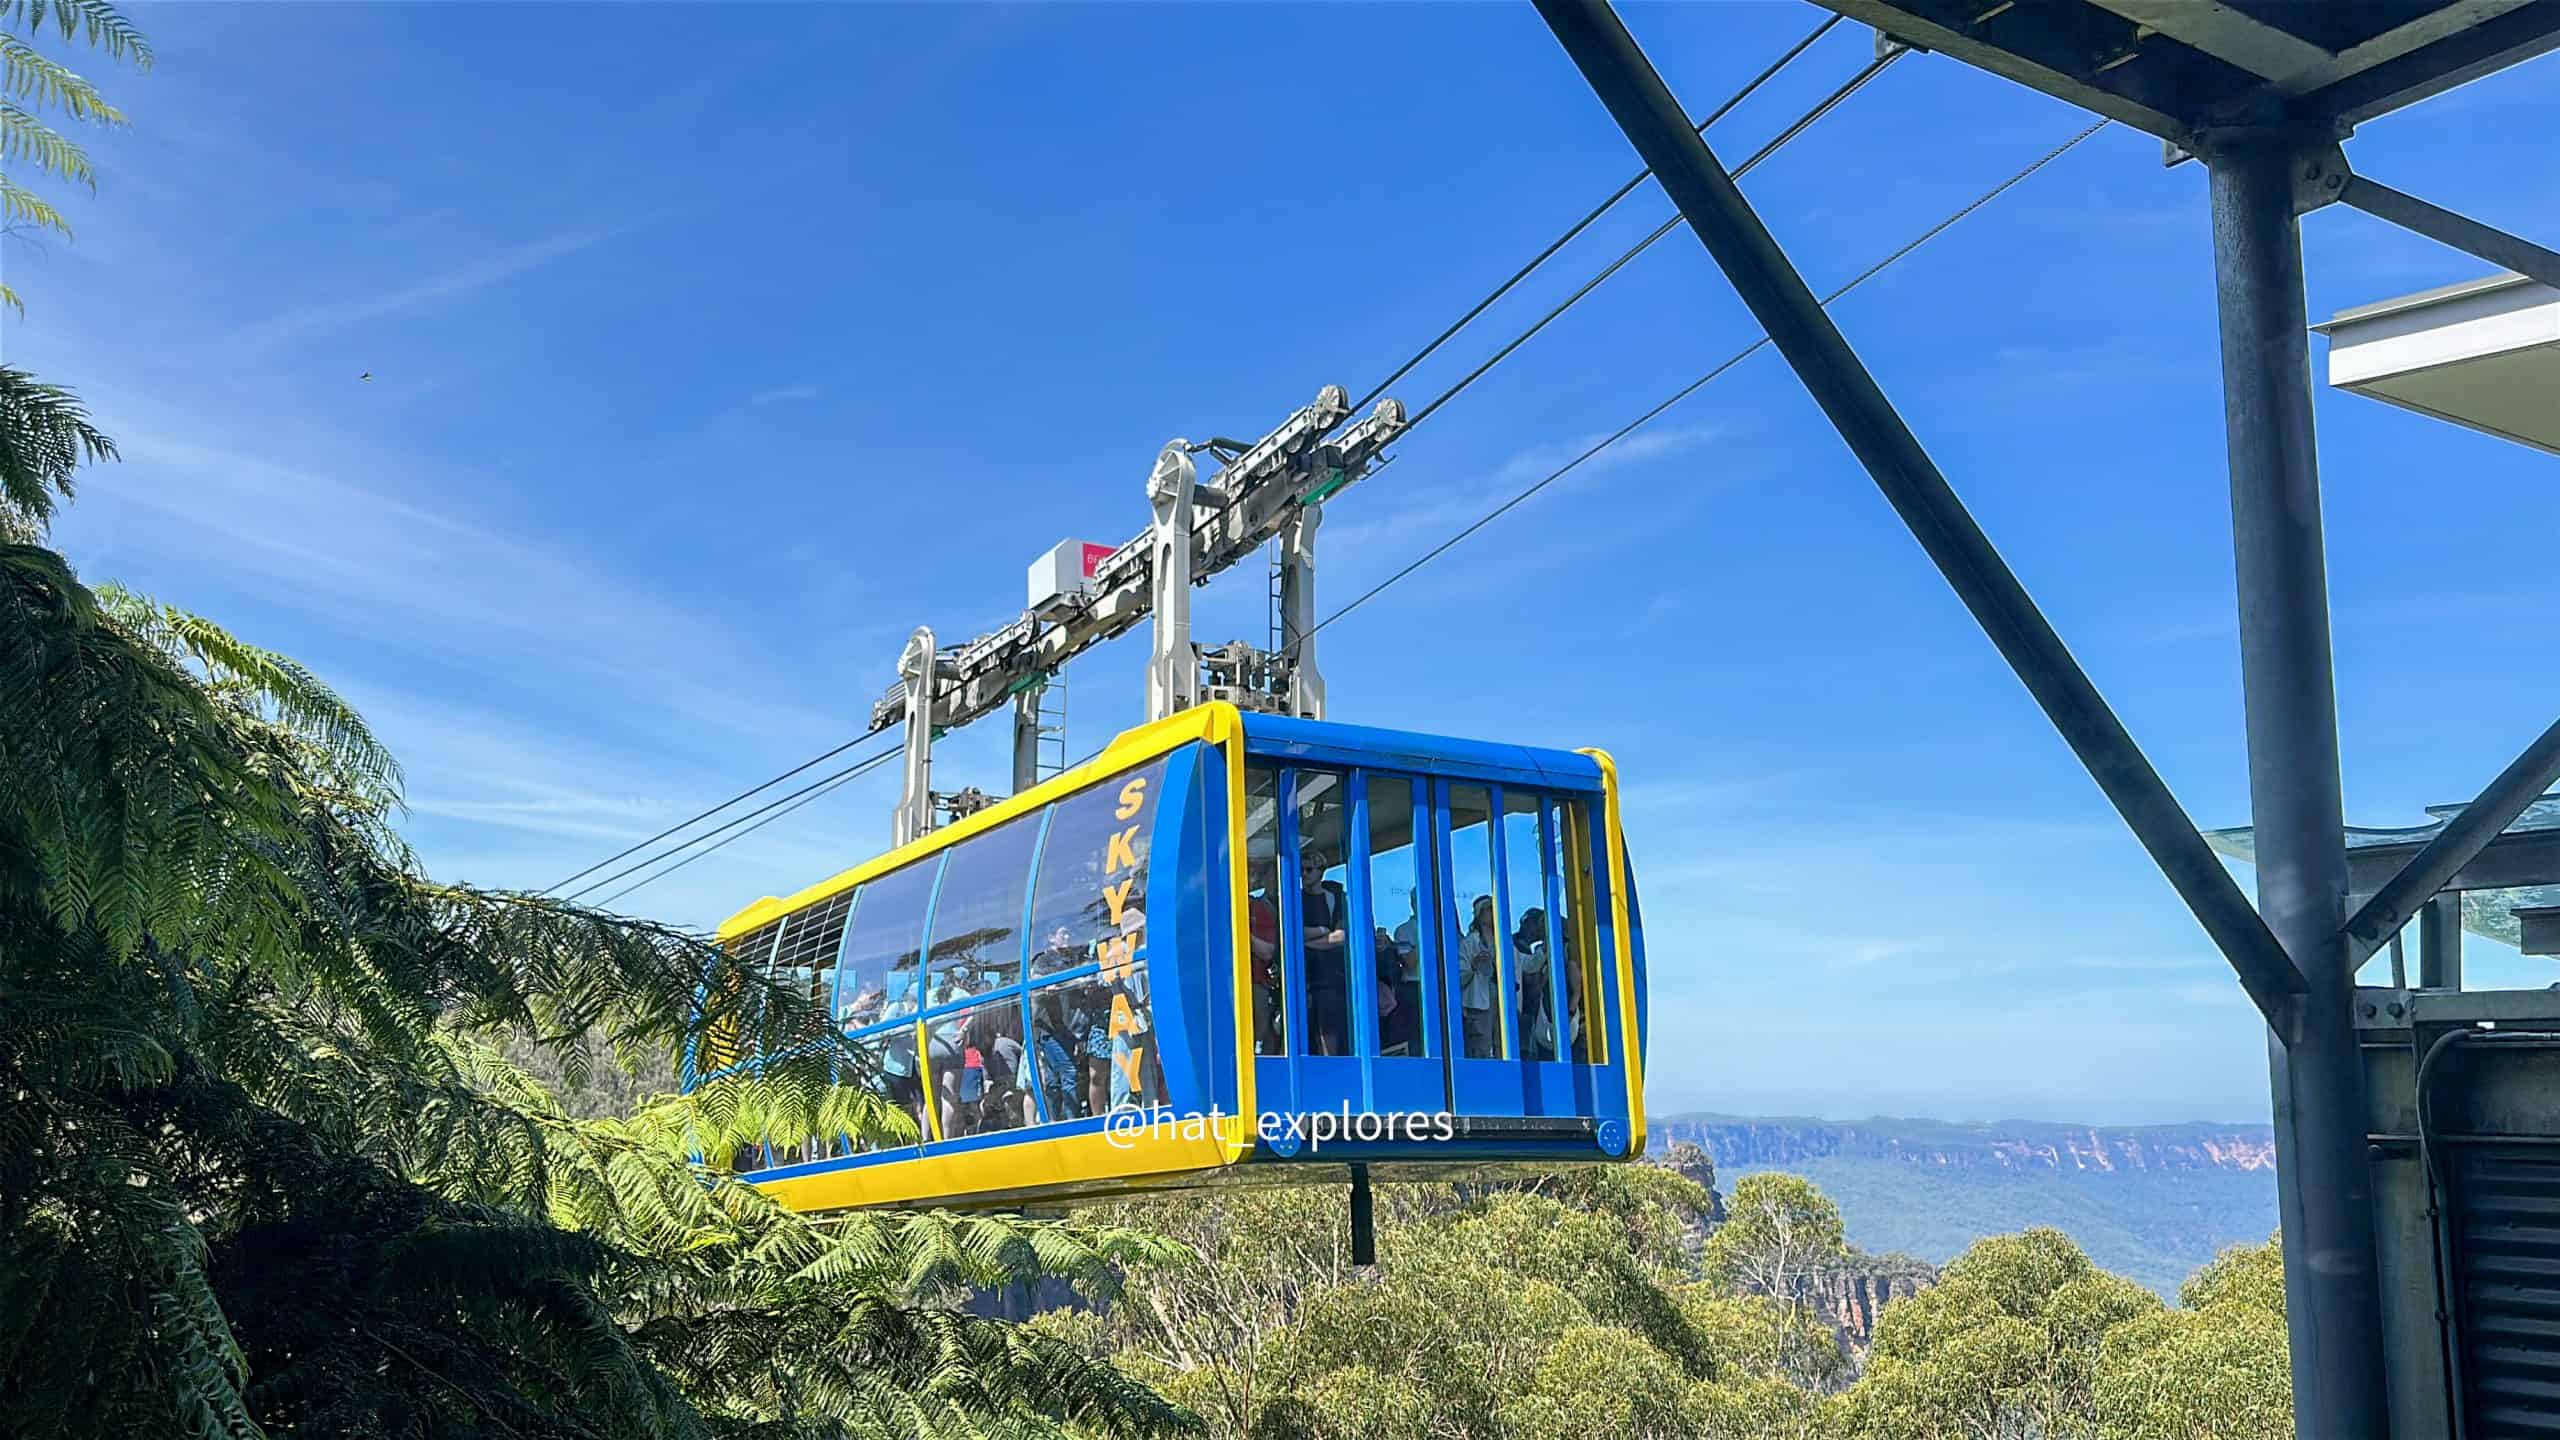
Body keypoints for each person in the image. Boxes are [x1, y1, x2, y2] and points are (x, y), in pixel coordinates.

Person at [1298, 843, 1351, 1055]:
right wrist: (1321, 930)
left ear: (1321, 872)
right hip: (1303, 977)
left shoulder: (1334, 898)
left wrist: (1307, 943)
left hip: (1330, 978)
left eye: (1309, 869)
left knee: (1330, 1032)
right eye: (1301, 869)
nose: (1304, 874)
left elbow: (1340, 936)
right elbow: (1291, 932)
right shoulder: (1295, 898)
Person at [1457, 894, 1501, 1057]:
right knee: (1481, 1049)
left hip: (1502, 1003)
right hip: (1478, 1006)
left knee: (1502, 1050)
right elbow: (1458, 979)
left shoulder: (1503, 941)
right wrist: (1474, 966)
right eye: (1489, 909)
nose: (1493, 912)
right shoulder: (1468, 943)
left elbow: (1526, 964)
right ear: (1480, 915)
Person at [1514, 908, 1554, 1060]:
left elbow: (1531, 965)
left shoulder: (1522, 948)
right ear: (1526, 923)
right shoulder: (1514, 945)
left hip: (1526, 1009)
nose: (1538, 930)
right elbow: (1531, 978)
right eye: (1537, 925)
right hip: (1520, 1009)